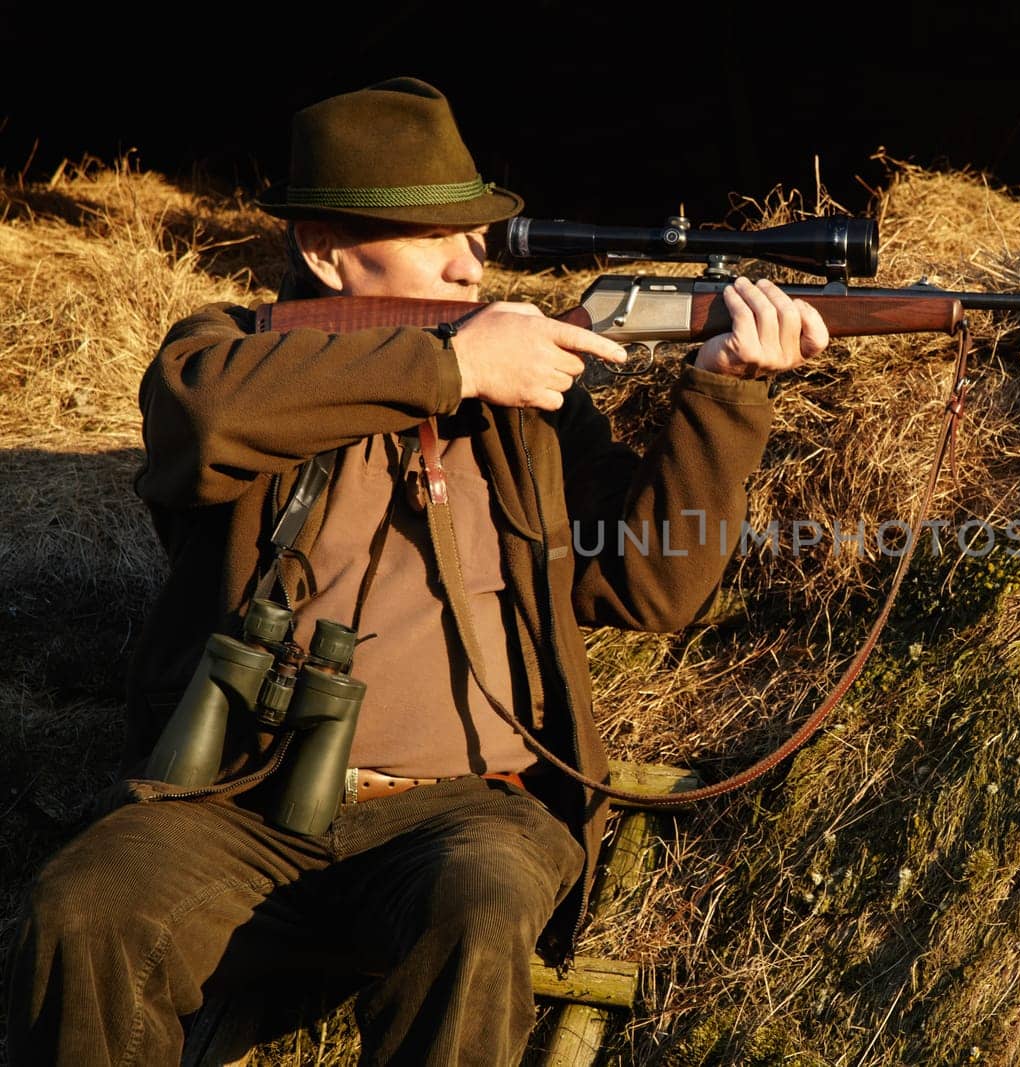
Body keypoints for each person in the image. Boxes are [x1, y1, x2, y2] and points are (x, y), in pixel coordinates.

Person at [7, 76, 827, 1065]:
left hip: (468, 808)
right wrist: (449, 369)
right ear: (325, 253)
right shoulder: (228, 353)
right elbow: (205, 419)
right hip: (240, 804)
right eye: (433, 236)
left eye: (478, 233)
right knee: (81, 908)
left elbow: (648, 585)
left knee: (477, 907)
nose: (469, 259)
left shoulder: (530, 403)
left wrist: (724, 396)